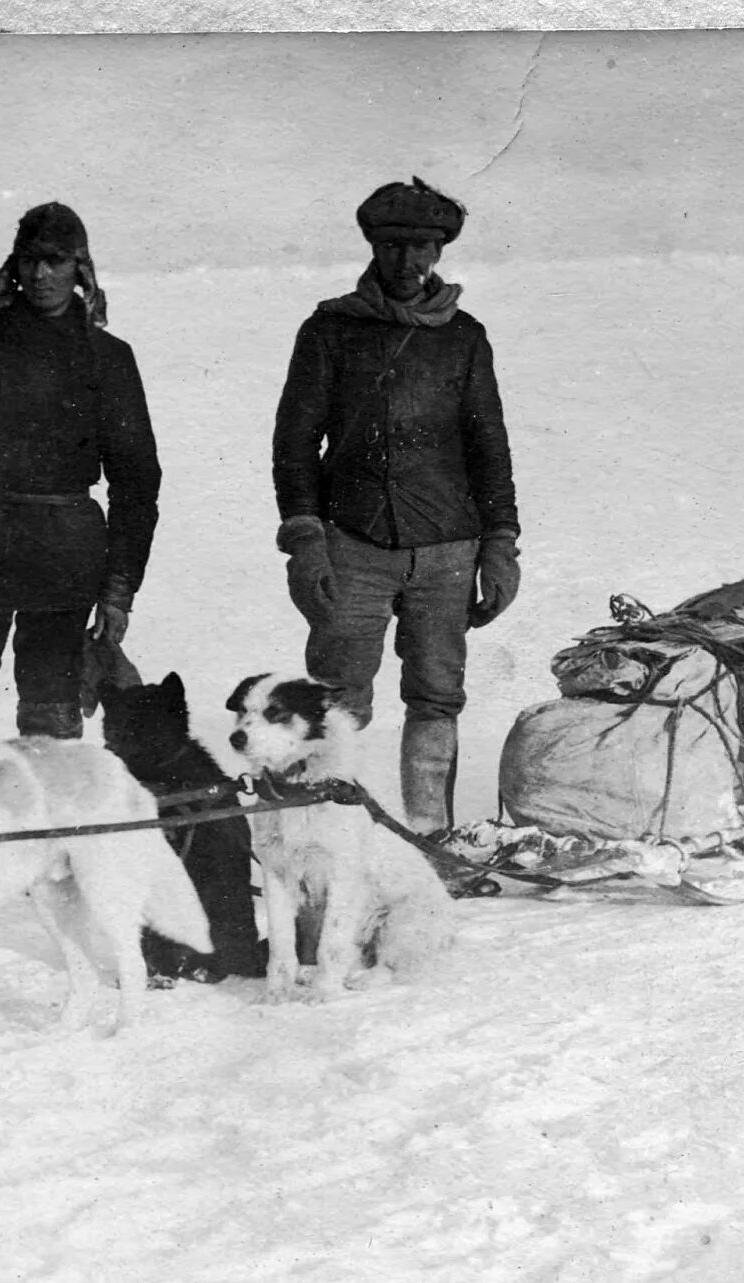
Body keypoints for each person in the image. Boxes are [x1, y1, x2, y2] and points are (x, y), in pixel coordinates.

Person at [270, 177, 522, 831]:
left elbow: (489, 449)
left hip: (446, 549)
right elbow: (295, 445)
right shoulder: (330, 331)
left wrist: (499, 548)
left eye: (423, 247)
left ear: (439, 251)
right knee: (338, 696)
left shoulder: (464, 338)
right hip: (353, 544)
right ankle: (328, 833)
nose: (409, 262)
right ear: (373, 247)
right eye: (395, 246)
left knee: (437, 696)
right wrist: (305, 539)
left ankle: (431, 838)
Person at [0, 203, 161, 749]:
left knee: (51, 726)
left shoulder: (107, 358)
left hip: (63, 560)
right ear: (13, 266)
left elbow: (137, 483)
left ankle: (44, 833)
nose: (41, 275)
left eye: (55, 261)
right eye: (30, 260)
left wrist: (118, 589)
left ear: (80, 269)